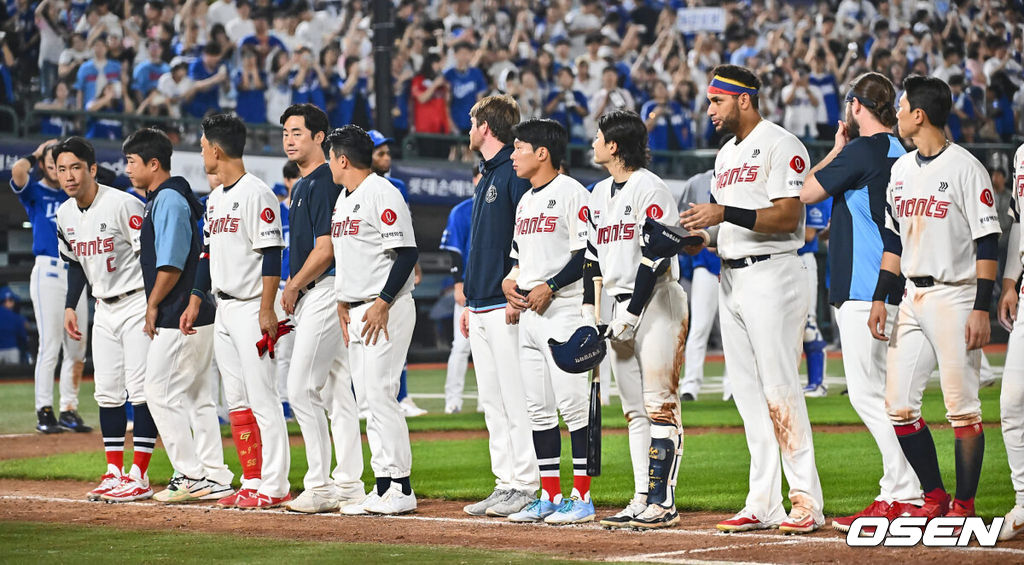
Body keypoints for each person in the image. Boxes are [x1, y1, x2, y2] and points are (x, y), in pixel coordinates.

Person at [681, 64, 824, 534]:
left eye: (716, 101)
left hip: (774, 274)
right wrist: (701, 235)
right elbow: (732, 223)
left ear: (744, 99)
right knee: (746, 395)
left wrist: (722, 210)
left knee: (780, 388)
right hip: (732, 275)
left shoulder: (782, 144)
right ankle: (762, 502)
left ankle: (805, 501)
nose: (710, 110)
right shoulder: (725, 155)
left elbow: (787, 218)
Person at [868, 75, 1001, 521]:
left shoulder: (966, 167)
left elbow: (987, 242)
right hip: (911, 296)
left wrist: (981, 306)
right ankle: (935, 495)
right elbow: (893, 241)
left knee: (961, 408)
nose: (898, 113)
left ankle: (963, 506)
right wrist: (880, 299)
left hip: (957, 296)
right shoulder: (901, 171)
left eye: (902, 106)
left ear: (919, 115)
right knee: (899, 407)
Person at [799, 72, 923, 531]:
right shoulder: (900, 152)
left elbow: (804, 193)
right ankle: (901, 487)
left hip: (862, 289)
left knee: (868, 395)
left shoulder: (859, 151)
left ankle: (904, 490)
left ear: (856, 106)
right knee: (892, 398)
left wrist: (835, 147)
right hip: (895, 283)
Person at [584, 110, 688, 528]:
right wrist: (593, 313)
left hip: (658, 301)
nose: (592, 142)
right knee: (633, 411)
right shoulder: (597, 193)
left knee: (660, 405)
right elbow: (593, 258)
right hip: (615, 304)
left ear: (614, 146)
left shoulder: (652, 188)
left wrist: (630, 311)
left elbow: (657, 253)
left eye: (598, 136)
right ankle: (642, 497)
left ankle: (664, 503)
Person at [182, 113, 291, 509]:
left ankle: (275, 485)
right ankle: (252, 479)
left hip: (251, 308)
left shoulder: (257, 193)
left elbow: (271, 254)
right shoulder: (215, 197)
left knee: (263, 397)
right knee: (237, 400)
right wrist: (197, 299)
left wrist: (267, 308)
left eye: (203, 145)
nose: (201, 151)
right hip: (223, 307)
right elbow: (208, 253)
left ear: (218, 149)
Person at [121, 128, 234, 504]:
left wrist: (152, 305)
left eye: (132, 162)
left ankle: (189, 473)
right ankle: (214, 474)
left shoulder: (167, 199)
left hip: (180, 312)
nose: (128, 170)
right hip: (196, 309)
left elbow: (170, 263)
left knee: (158, 390)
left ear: (154, 164)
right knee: (198, 397)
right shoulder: (170, 196)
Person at [54, 136, 158, 502]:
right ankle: (115, 471)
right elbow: (75, 264)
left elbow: (150, 258)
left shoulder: (123, 203)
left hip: (136, 304)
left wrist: (154, 305)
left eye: (75, 167)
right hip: (104, 307)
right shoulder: (65, 214)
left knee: (142, 390)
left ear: (92, 169)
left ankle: (140, 474)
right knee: (108, 392)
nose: (68, 176)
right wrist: (70, 304)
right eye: (62, 169)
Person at [503, 118, 594, 524]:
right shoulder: (526, 200)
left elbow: (587, 256)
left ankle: (582, 497)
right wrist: (511, 279)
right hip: (530, 316)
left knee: (574, 408)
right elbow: (520, 256)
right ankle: (551, 496)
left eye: (519, 147)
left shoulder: (573, 193)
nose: (513, 154)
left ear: (543, 153)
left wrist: (551, 285)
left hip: (564, 313)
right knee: (538, 411)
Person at [327, 125, 419, 515]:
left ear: (342, 159)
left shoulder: (382, 192)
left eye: (332, 156)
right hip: (360, 307)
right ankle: (383, 486)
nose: (330, 163)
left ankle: (402, 486)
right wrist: (344, 301)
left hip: (387, 308)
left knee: (381, 393)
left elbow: (407, 253)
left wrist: (382, 301)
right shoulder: (344, 199)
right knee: (367, 398)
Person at [277, 104, 364, 513]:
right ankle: (348, 483)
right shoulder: (304, 185)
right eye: (286, 133)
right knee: (336, 391)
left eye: (297, 132)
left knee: (301, 388)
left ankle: (320, 485)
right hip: (325, 291)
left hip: (325, 289)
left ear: (319, 137)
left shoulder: (323, 183)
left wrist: (293, 284)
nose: (289, 139)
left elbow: (325, 248)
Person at [458, 95, 539, 518]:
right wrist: (470, 301)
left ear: (485, 127)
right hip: (481, 301)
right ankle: (505, 481)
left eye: (472, 121)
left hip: (505, 302)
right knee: (493, 399)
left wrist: (519, 288)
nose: (468, 128)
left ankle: (525, 484)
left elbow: (526, 235)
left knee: (514, 397)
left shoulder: (512, 172)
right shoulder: (490, 173)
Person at [9, 140, 90, 434]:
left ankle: (69, 409)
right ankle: (44, 409)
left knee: (77, 346)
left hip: (76, 272)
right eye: (53, 162)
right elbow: (18, 171)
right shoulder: (36, 192)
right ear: (44, 164)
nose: (58, 168)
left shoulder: (75, 194)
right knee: (50, 345)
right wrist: (37, 152)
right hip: (49, 272)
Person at [368, 128, 427, 418]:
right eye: (380, 152)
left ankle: (402, 396)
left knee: (396, 341)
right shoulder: (354, 189)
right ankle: (364, 402)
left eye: (387, 152)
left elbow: (406, 232)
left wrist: (414, 264)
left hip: (394, 271)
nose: (386, 157)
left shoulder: (397, 187)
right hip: (367, 275)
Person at [675, 170, 723, 402]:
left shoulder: (745, 176)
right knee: (699, 327)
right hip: (706, 263)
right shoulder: (698, 182)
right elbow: (681, 221)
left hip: (735, 262)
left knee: (734, 330)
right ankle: (690, 385)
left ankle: (733, 387)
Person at [998, 140, 1024, 541]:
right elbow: (1018, 224)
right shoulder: (1021, 154)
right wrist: (1009, 284)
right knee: (1012, 401)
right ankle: (1023, 502)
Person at [439, 170, 475, 415]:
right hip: (468, 286)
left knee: (493, 353)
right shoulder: (463, 210)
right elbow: (454, 251)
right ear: (474, 179)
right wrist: (458, 283)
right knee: (461, 347)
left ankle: (489, 401)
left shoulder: (504, 207)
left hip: (496, 291)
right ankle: (452, 401)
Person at [272, 161, 298, 421]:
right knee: (284, 350)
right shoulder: (277, 213)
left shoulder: (309, 211)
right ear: (288, 181)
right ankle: (283, 401)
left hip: (308, 289)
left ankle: (300, 400)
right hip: (281, 289)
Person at [799, 198, 831, 397]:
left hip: (803, 260)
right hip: (778, 261)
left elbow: (809, 235)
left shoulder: (810, 192)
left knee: (808, 324)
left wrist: (769, 233)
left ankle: (818, 383)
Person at [0, 288, 28, 364]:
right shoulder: (17, 317)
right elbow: (23, 336)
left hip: (8, 349)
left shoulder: (17, 317)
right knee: (14, 374)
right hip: (12, 350)